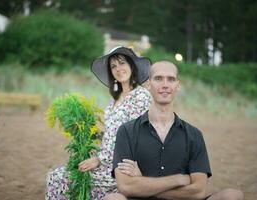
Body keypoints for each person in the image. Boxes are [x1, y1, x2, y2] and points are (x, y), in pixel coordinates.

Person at [105, 61, 244, 200]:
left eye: (171, 79)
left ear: (177, 86)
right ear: (148, 85)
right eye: (158, 78)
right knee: (112, 199)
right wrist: (177, 180)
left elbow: (198, 191)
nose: (165, 85)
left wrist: (143, 183)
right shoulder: (127, 131)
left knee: (233, 195)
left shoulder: (194, 135)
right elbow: (126, 187)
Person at [45, 46, 152, 200]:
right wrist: (92, 137)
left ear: (131, 66)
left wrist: (100, 159)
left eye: (122, 63)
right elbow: (112, 133)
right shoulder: (114, 100)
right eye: (113, 66)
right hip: (105, 160)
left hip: (120, 166)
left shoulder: (140, 96)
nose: (118, 69)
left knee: (59, 177)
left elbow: (134, 136)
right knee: (58, 174)